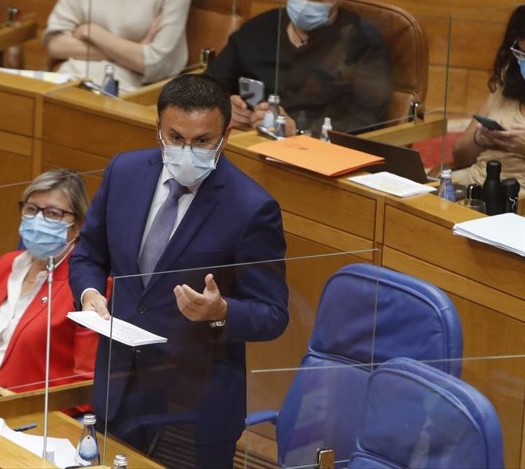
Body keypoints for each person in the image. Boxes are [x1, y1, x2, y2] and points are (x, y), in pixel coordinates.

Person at [69, 74, 289, 468]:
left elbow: (273, 314)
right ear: (158, 129)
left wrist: (222, 312)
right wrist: (89, 293)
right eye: (176, 137)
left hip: (193, 403)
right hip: (118, 386)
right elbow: (88, 253)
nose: (188, 150)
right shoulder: (125, 172)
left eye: (203, 141)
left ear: (224, 137)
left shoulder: (252, 208)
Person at [0, 169, 98, 393]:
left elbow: (83, 382)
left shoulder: (85, 288)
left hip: (19, 412)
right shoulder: (7, 265)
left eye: (52, 214)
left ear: (78, 226)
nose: (38, 220)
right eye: (31, 210)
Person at [205, 0, 392, 137]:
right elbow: (209, 84)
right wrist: (224, 107)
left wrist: (301, 131)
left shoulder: (362, 41)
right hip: (247, 140)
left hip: (316, 155)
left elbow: (369, 119)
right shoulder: (256, 29)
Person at [451, 5, 525, 195]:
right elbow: (459, 155)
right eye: (522, 54)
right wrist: (480, 138)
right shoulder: (508, 78)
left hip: (516, 198)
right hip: (474, 183)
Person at [43, 0, 191, 94]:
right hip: (69, 76)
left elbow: (156, 63)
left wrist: (93, 32)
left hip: (135, 90)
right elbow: (56, 45)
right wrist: (133, 50)